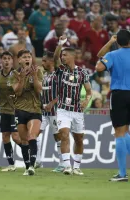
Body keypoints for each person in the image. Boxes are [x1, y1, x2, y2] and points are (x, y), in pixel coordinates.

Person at [54, 37, 92, 175]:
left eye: (65, 55)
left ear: (72, 56)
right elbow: (55, 59)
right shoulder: (61, 70)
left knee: (79, 139)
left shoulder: (82, 73)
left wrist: (87, 100)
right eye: (62, 55)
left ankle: (76, 166)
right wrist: (60, 45)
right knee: (64, 135)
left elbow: (89, 91)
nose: (62, 57)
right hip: (63, 109)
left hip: (77, 111)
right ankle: (67, 166)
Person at [95, 29, 130, 182]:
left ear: (117, 41)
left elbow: (99, 67)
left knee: (119, 133)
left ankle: (122, 174)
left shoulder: (113, 55)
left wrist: (110, 43)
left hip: (119, 94)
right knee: (126, 131)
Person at [11, 49, 43, 175]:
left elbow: (39, 90)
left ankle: (32, 166)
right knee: (24, 140)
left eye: (29, 57)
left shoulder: (38, 72)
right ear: (19, 60)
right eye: (24, 57)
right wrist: (22, 78)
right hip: (20, 110)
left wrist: (34, 76)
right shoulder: (14, 74)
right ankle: (26, 167)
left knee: (31, 136)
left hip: (35, 109)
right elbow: (17, 92)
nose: (27, 59)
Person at [35, 51, 63, 172]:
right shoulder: (45, 75)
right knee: (35, 133)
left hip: (55, 111)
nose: (43, 63)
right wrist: (41, 103)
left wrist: (52, 103)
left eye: (45, 61)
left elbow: (63, 92)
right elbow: (43, 92)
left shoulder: (57, 75)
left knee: (58, 137)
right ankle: (38, 161)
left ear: (51, 61)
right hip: (44, 111)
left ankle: (63, 163)